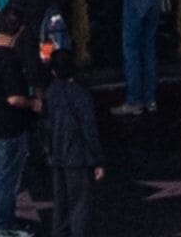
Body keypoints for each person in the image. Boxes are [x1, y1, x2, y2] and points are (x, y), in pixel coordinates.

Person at [0, 5, 43, 237]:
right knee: (9, 177)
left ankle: (1, 220)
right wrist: (33, 104)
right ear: (19, 31)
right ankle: (5, 224)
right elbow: (15, 98)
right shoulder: (9, 59)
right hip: (11, 125)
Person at [45, 45, 105, 237]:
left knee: (60, 206)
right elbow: (89, 130)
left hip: (58, 157)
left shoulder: (51, 93)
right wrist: (98, 160)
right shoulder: (81, 95)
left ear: (53, 71)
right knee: (79, 206)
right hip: (77, 158)